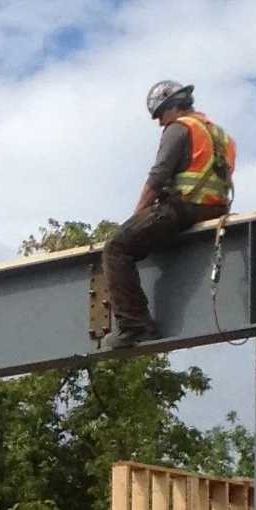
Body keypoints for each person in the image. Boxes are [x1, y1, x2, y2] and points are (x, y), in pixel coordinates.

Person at [100, 80, 235, 348]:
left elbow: (158, 176)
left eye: (160, 115)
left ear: (172, 108)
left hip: (185, 207)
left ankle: (133, 325)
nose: (160, 123)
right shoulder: (220, 135)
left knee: (117, 247)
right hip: (216, 208)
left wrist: (136, 216)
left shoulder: (179, 128)